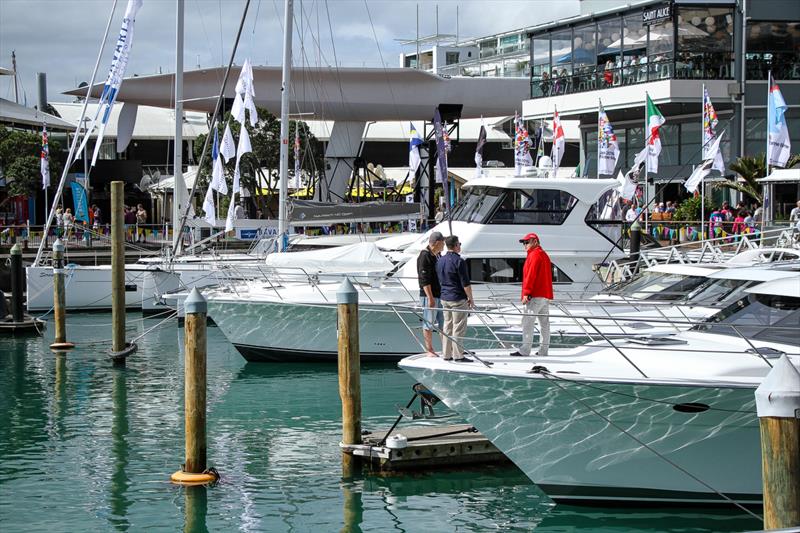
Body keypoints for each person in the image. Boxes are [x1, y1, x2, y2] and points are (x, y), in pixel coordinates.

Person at [511, 232, 553, 357]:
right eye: (524, 243)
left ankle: (525, 350)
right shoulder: (544, 255)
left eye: (526, 242)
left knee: (528, 323)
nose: (524, 245)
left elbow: (530, 276)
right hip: (544, 296)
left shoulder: (534, 255)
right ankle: (543, 351)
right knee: (544, 325)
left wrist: (526, 293)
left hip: (535, 296)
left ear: (535, 241)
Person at [435, 235, 474, 362]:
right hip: (457, 298)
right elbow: (466, 284)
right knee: (458, 327)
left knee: (447, 326)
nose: (460, 246)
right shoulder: (459, 261)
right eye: (459, 244)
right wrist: (471, 299)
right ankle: (458, 355)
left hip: (445, 297)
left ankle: (446, 354)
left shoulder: (440, 260)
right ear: (456, 245)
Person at [417, 231, 445, 356]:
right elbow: (424, 279)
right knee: (429, 322)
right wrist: (430, 297)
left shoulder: (436, 255)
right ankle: (429, 349)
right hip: (429, 295)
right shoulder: (425, 256)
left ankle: (446, 347)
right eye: (443, 243)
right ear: (438, 243)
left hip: (438, 294)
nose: (444, 245)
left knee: (443, 322)